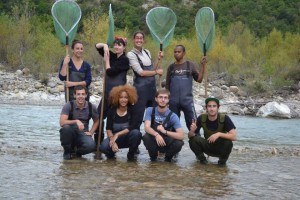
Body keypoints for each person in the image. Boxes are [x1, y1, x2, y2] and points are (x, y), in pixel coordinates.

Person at [94, 37, 130, 146]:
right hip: (107, 93)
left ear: (124, 47)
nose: (116, 47)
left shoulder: (125, 60)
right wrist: (105, 46)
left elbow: (110, 72)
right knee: (99, 116)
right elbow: (97, 46)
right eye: (115, 45)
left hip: (118, 95)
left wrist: (107, 61)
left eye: (119, 45)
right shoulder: (112, 55)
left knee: (114, 119)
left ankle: (115, 142)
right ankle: (98, 143)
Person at [127, 31, 163, 130]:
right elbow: (141, 72)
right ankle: (134, 142)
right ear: (133, 40)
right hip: (140, 91)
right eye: (137, 38)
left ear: (143, 40)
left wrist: (158, 59)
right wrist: (157, 72)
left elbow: (151, 69)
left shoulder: (147, 52)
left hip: (152, 90)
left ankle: (153, 141)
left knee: (154, 118)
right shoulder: (131, 54)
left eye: (141, 38)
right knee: (137, 119)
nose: (139, 40)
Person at [165, 44, 207, 130]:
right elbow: (167, 86)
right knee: (172, 128)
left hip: (188, 102)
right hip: (173, 102)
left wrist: (203, 65)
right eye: (175, 52)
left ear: (184, 53)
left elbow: (199, 79)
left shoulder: (190, 65)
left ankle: (196, 141)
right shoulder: (171, 67)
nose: (176, 53)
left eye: (179, 52)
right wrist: (166, 101)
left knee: (194, 127)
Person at [188, 96, 237, 166]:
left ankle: (222, 163)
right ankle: (203, 161)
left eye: (214, 106)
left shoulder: (225, 118)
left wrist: (219, 134)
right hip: (208, 146)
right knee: (193, 140)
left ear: (218, 107)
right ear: (206, 108)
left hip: (220, 148)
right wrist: (192, 131)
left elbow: (234, 137)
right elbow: (190, 136)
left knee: (228, 142)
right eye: (209, 106)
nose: (212, 109)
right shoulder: (201, 118)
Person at [100, 85, 142, 161]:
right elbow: (108, 128)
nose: (123, 100)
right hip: (115, 139)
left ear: (129, 98)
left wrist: (117, 134)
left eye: (126, 97)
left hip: (128, 138)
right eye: (121, 97)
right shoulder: (112, 110)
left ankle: (131, 154)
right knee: (103, 147)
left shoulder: (133, 110)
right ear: (117, 98)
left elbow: (133, 126)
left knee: (136, 133)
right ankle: (111, 154)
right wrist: (112, 141)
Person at [142, 89, 184, 162]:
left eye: (165, 98)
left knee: (179, 143)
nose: (163, 100)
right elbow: (146, 127)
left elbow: (181, 135)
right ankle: (153, 158)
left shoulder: (173, 116)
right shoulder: (150, 110)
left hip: (167, 141)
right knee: (146, 137)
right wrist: (156, 134)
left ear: (168, 100)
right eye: (160, 97)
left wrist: (165, 132)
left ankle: (168, 158)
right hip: (154, 140)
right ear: (156, 99)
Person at [59, 86, 98, 160]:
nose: (81, 96)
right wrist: (76, 121)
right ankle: (67, 151)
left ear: (86, 95)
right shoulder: (68, 105)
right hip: (70, 131)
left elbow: (96, 121)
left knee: (91, 146)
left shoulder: (91, 107)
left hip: (83, 132)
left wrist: (91, 132)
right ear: (74, 95)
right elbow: (62, 122)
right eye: (78, 94)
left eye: (83, 94)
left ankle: (77, 152)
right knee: (65, 128)